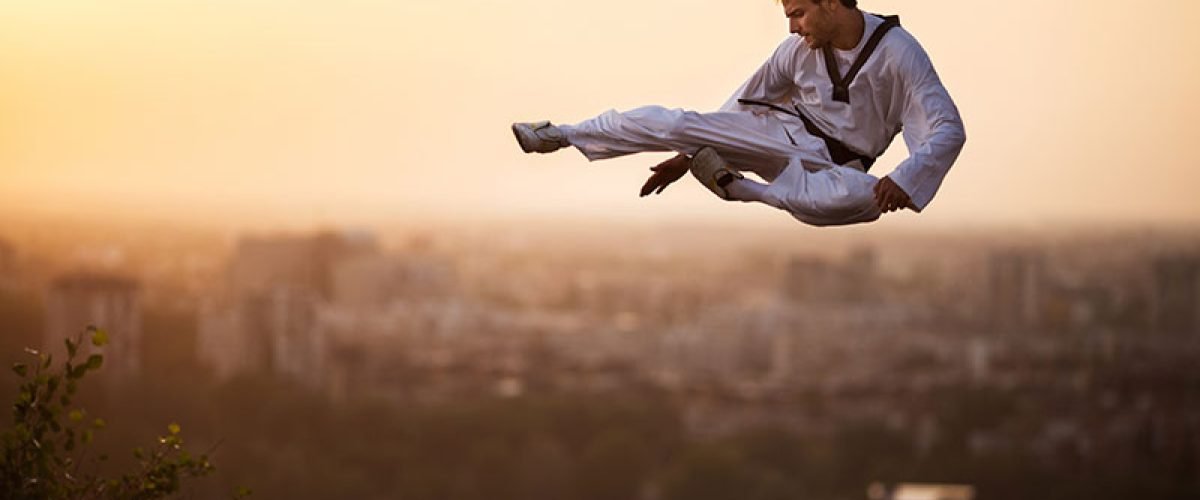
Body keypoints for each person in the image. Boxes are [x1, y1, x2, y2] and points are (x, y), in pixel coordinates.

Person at [512, 0, 965, 227]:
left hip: (835, 168)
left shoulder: (899, 54)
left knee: (855, 202)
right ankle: (561, 134)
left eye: (799, 13)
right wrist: (688, 155)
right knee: (676, 124)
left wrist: (905, 177)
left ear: (832, 1)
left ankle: (736, 189)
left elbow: (947, 128)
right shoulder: (794, 51)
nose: (793, 27)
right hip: (776, 135)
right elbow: (740, 110)